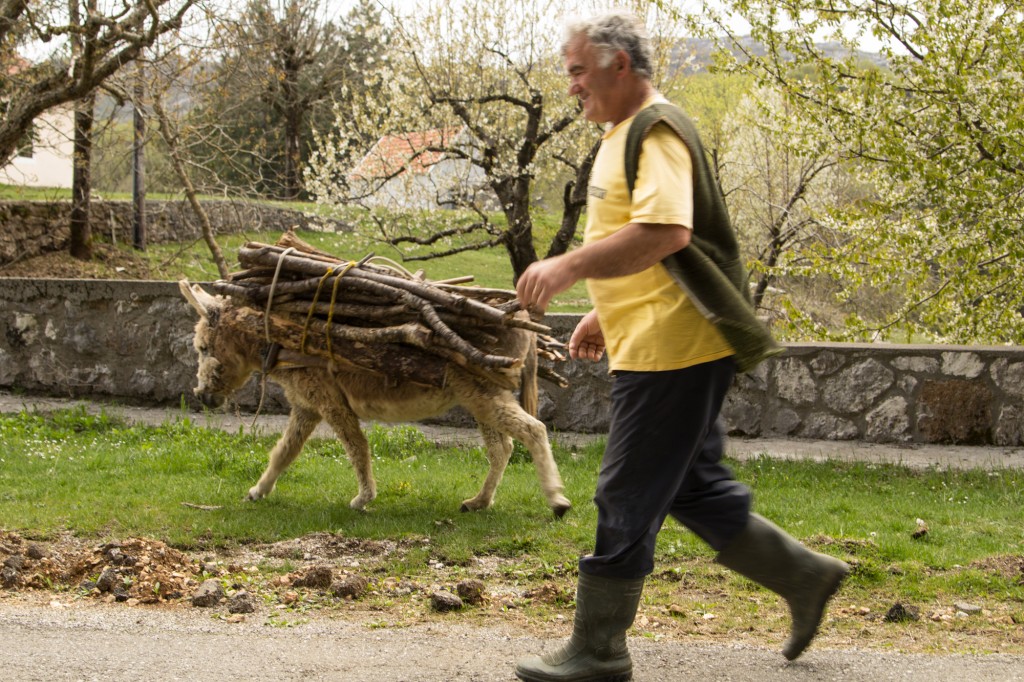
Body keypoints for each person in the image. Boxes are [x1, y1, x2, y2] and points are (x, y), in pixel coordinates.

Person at [513, 11, 850, 682]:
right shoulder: (616, 134)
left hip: (679, 347)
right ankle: (805, 577)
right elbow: (642, 239)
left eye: (579, 70)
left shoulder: (656, 130)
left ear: (620, 66)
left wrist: (571, 266)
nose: (571, 85)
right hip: (653, 338)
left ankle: (600, 648)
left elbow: (667, 230)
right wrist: (604, 313)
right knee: (692, 488)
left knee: (626, 490)